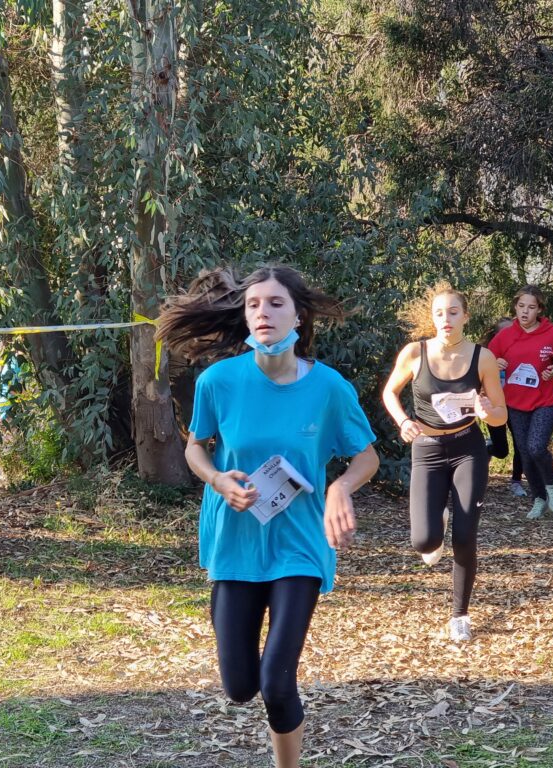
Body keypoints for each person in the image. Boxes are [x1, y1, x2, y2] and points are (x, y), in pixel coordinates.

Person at [157, 265, 379, 768]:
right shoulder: (218, 381)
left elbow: (366, 456)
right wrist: (217, 480)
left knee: (277, 681)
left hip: (300, 543)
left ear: (297, 314)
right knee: (239, 687)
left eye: (276, 303)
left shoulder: (328, 388)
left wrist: (341, 487)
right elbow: (197, 449)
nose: (263, 313)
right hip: (235, 541)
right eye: (254, 304)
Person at [382, 283, 507, 642]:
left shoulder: (481, 358)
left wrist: (488, 411)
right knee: (424, 542)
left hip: (468, 447)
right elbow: (390, 392)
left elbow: (500, 416)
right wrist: (404, 421)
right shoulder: (414, 353)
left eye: (453, 312)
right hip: (427, 448)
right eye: (440, 313)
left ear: (465, 316)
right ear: (432, 317)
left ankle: (459, 615)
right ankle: (438, 518)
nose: (446, 319)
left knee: (466, 536)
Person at [487, 286, 553, 520]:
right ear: (515, 306)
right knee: (524, 452)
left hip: (546, 400)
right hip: (515, 402)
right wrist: (496, 363)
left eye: (531, 307)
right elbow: (486, 361)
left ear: (540, 309)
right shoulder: (505, 335)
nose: (525, 312)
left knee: (535, 447)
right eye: (521, 306)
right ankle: (538, 498)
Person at [481, 318, 527, 497]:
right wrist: (492, 365)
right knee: (502, 451)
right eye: (504, 332)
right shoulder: (485, 356)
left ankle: (516, 481)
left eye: (513, 332)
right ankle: (488, 448)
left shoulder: (523, 351)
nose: (509, 335)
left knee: (521, 445)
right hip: (495, 406)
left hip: (517, 405)